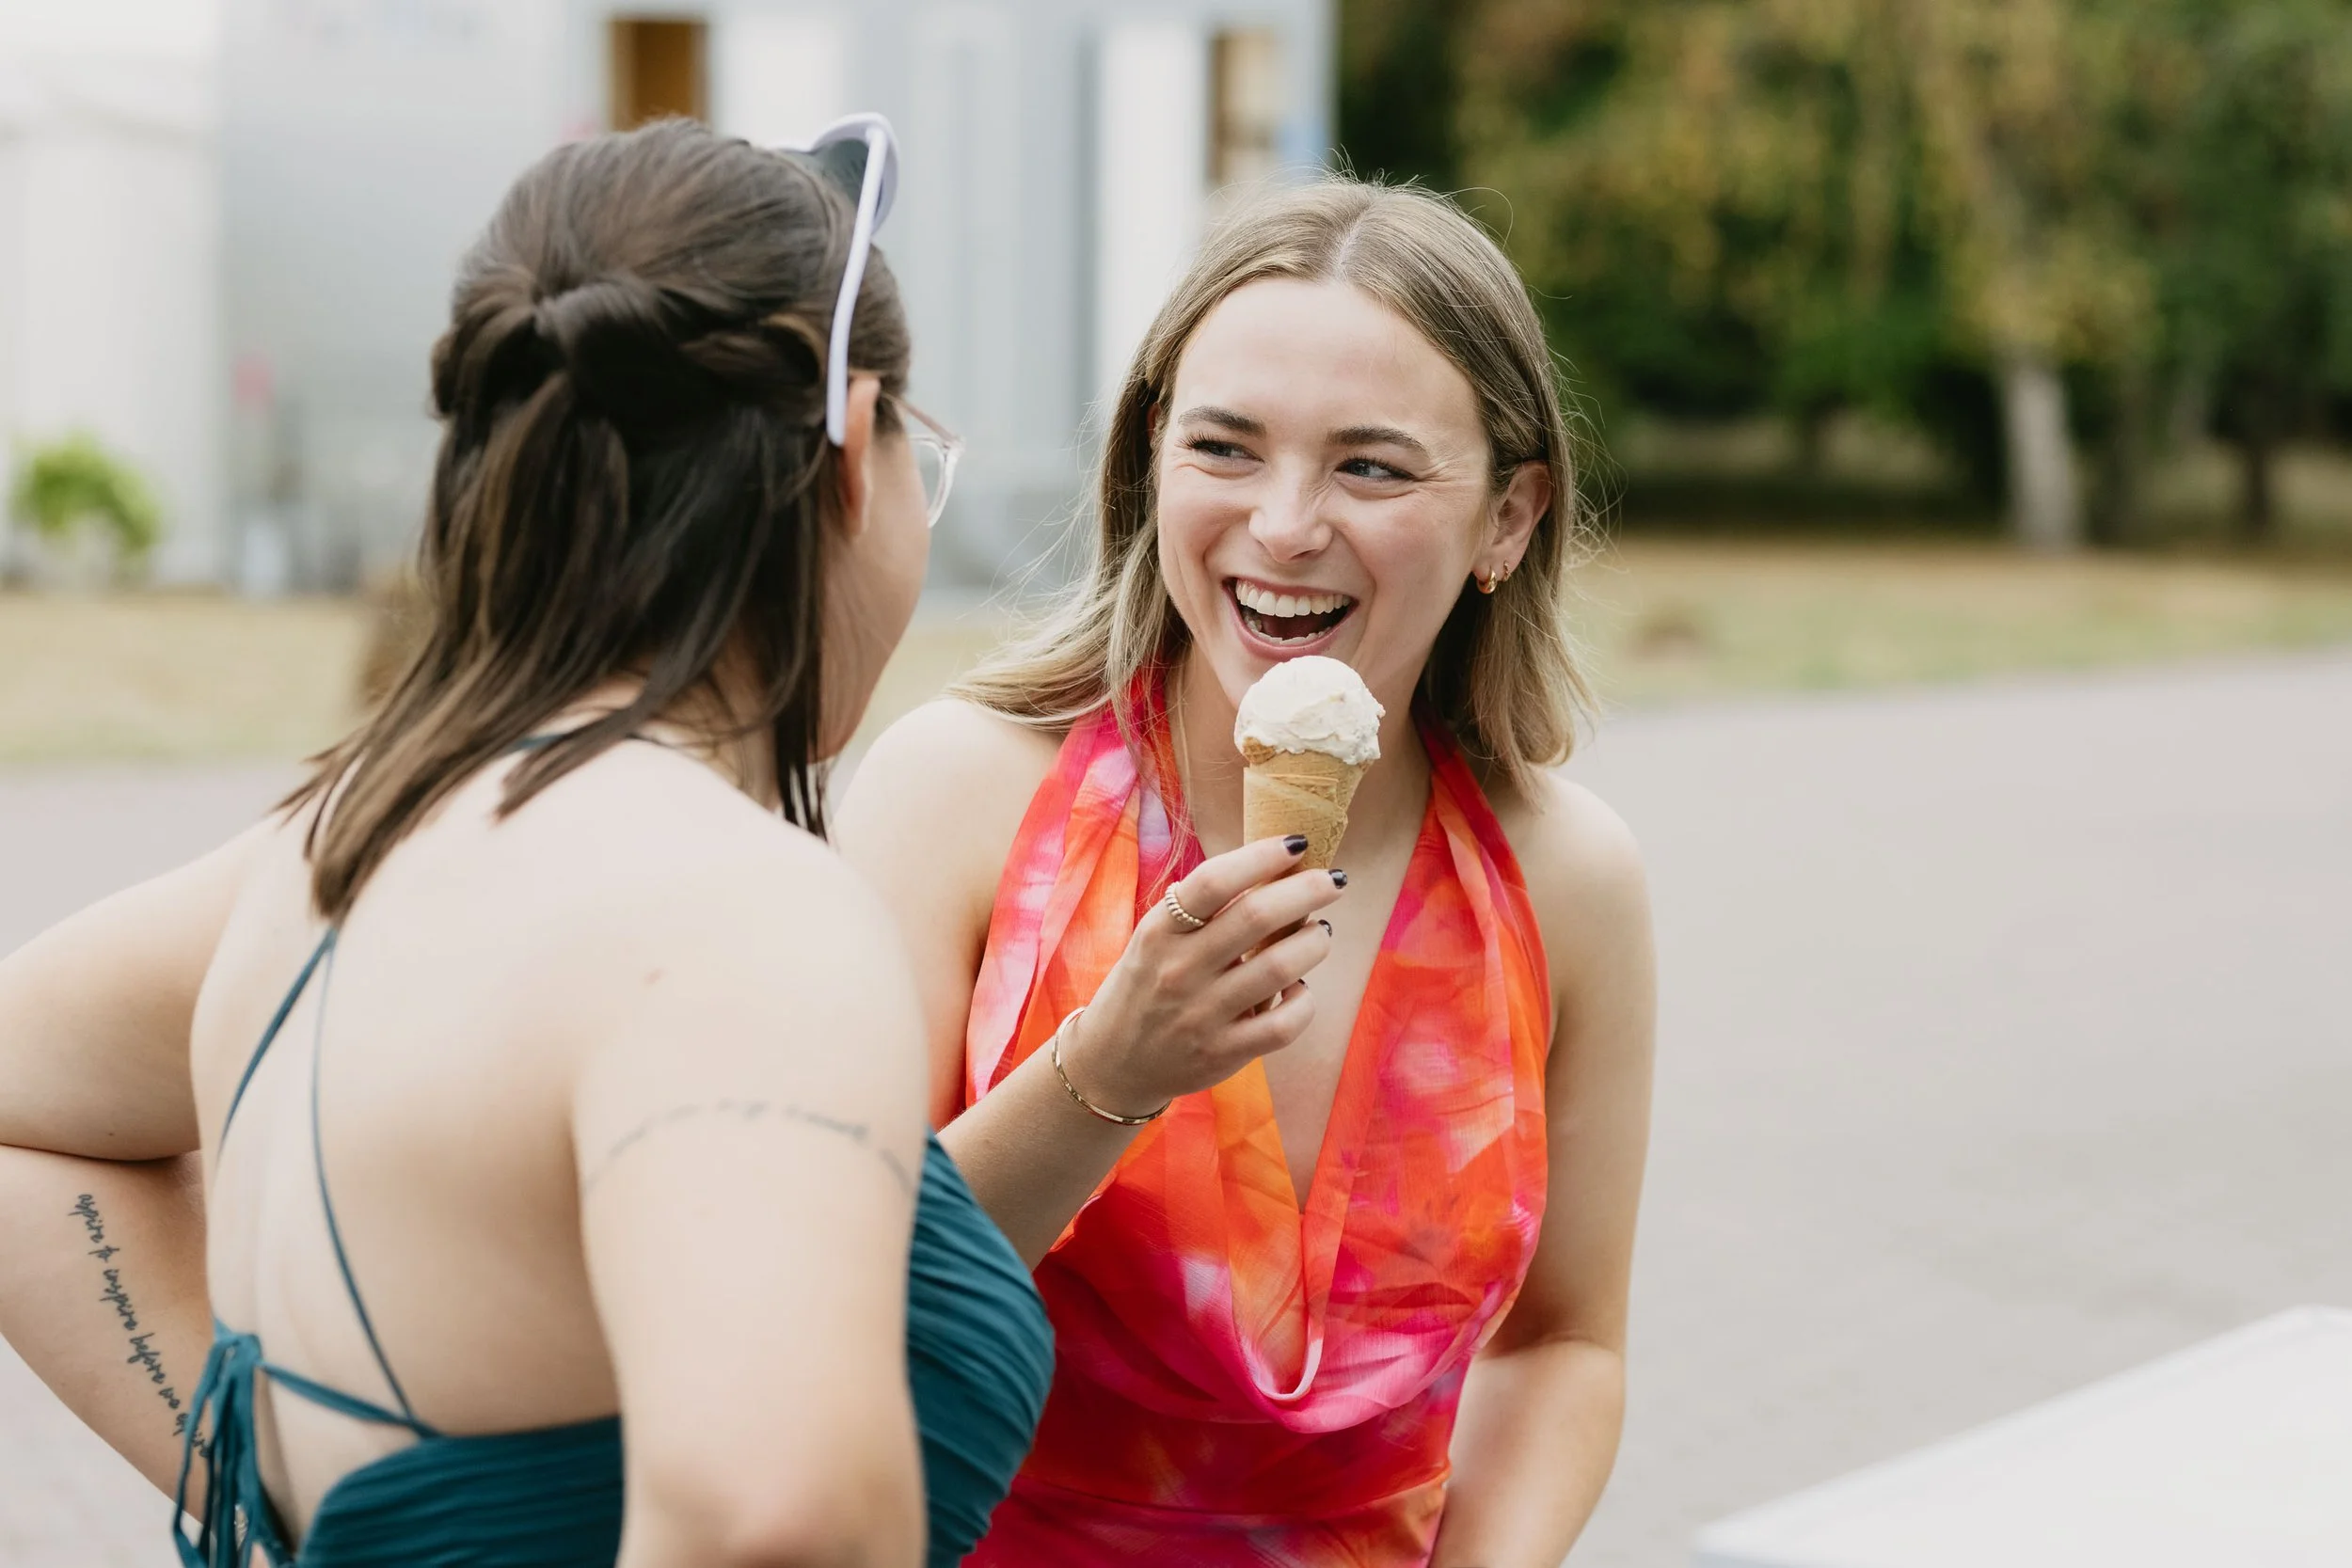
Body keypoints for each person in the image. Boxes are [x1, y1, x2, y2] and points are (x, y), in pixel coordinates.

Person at [0, 117, 1049, 1568]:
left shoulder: (333, 848)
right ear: (854, 450)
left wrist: (274, 1487)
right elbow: (776, 1519)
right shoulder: (736, 917)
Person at [838, 176, 1657, 1566]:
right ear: (1151, 459)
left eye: (1372, 466)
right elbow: (834, 1284)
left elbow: (1566, 1339)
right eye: (1225, 446)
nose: (1283, 524)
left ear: (1510, 520)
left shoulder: (1567, 877)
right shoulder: (958, 792)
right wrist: (1108, 1072)